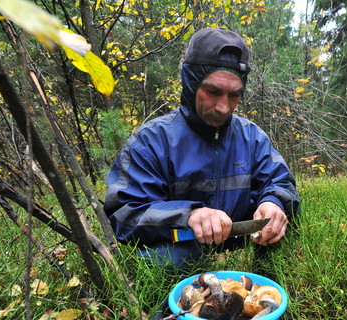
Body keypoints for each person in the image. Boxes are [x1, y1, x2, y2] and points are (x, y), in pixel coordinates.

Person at [103, 27, 300, 273]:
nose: (223, 107)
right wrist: (188, 215)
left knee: (286, 229)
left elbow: (281, 183)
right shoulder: (151, 140)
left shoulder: (252, 137)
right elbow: (123, 214)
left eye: (234, 95)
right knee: (164, 262)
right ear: (190, 82)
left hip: (245, 248)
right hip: (181, 248)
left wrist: (274, 203)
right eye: (213, 91)